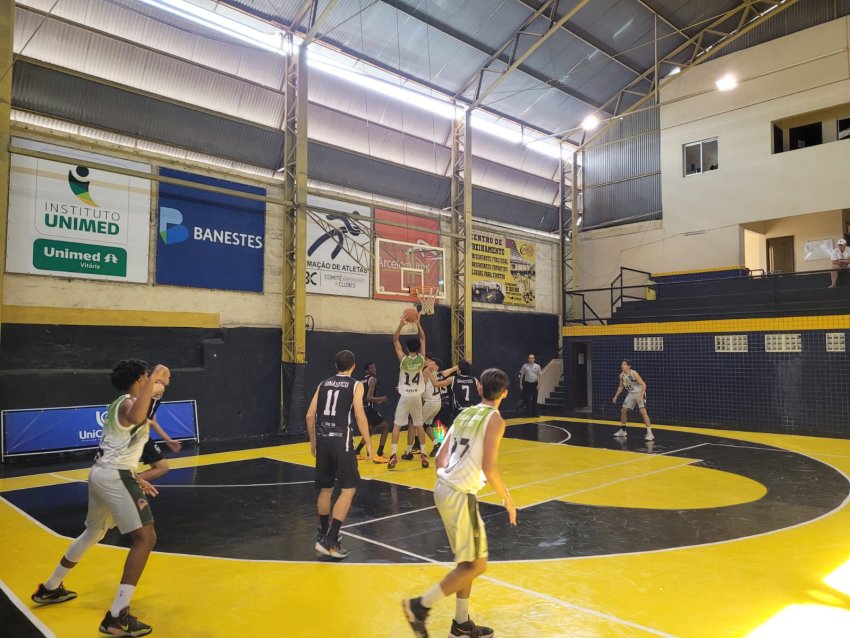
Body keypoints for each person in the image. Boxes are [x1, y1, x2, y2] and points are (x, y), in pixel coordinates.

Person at [32, 359, 171, 637]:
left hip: (103, 473)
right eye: (148, 378)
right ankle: (117, 616)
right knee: (146, 538)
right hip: (115, 475)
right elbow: (137, 414)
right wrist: (155, 375)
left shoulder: (126, 399)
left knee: (94, 532)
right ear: (140, 380)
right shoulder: (128, 404)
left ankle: (50, 587)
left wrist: (161, 379)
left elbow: (155, 395)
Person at [402, 368, 517, 638]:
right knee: (477, 565)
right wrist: (508, 500)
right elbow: (490, 467)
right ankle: (419, 606)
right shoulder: (496, 420)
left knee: (467, 562)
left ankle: (461, 623)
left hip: (443, 487)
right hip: (459, 494)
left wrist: (450, 474)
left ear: (479, 389)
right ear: (505, 394)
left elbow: (440, 456)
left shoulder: (465, 413)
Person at [306, 350, 372, 560]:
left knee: (325, 489)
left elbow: (309, 415)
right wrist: (368, 442)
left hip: (323, 439)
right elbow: (360, 415)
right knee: (348, 489)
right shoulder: (356, 385)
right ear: (353, 366)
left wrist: (313, 440)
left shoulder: (323, 383)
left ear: (336, 365)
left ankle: (322, 534)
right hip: (341, 441)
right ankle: (331, 540)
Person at [389, 314, 429, 470]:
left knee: (397, 426)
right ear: (419, 348)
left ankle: (393, 454)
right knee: (419, 426)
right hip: (417, 397)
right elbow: (423, 338)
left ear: (407, 349)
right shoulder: (422, 359)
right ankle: (424, 454)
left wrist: (401, 325)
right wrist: (418, 324)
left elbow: (394, 340)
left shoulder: (403, 359)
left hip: (405, 396)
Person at [136, 390, 182, 483]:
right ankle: (130, 484)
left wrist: (168, 440)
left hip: (141, 436)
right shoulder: (157, 387)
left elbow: (153, 422)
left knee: (162, 467)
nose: (168, 377)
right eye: (166, 374)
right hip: (139, 436)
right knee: (162, 467)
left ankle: (132, 483)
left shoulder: (151, 403)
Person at [421, 357, 458, 457]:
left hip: (430, 402)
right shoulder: (438, 374)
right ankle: (439, 444)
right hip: (439, 402)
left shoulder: (427, 373)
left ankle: (423, 451)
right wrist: (458, 366)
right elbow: (449, 371)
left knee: (419, 424)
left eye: (430, 362)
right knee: (429, 424)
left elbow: (420, 388)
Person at [354, 362, 390, 463]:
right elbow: (369, 397)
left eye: (375, 367)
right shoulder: (373, 379)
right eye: (371, 368)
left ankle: (356, 452)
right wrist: (382, 398)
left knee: (370, 430)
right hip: (368, 409)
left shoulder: (361, 381)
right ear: (367, 370)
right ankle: (379, 454)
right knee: (386, 427)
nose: (374, 369)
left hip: (361, 408)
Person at [612, 359, 654, 441]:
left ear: (628, 366)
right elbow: (621, 386)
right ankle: (623, 431)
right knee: (623, 410)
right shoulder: (621, 375)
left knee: (643, 412)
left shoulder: (634, 373)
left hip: (639, 393)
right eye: (622, 364)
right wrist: (616, 396)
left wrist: (641, 396)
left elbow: (643, 385)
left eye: (624, 364)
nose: (622, 365)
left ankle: (650, 433)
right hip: (631, 394)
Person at [450, 359, 480, 424]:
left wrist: (429, 372)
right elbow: (481, 392)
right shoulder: (475, 380)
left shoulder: (453, 379)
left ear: (460, 370)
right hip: (472, 410)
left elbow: (436, 384)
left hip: (460, 411)